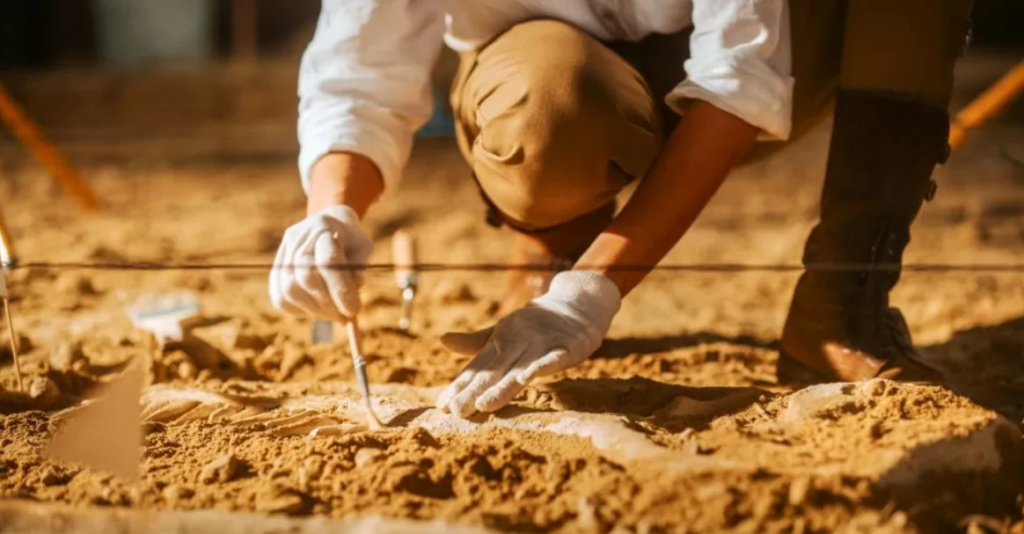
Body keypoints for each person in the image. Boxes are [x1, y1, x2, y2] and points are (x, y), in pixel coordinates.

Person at [270, 0, 973, 418]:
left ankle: (844, 296)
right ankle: (552, 234)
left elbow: (739, 81)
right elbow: (359, 73)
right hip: (548, 79)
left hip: (770, 72)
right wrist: (332, 211)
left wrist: (593, 291)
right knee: (550, 105)